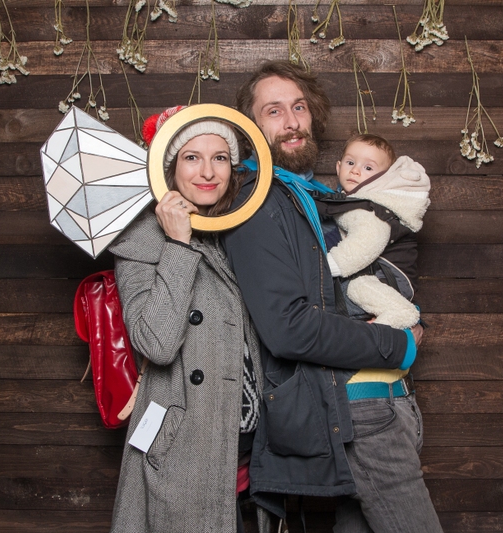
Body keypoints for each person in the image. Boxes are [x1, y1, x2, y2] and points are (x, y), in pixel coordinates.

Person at [224, 60, 444, 532]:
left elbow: (350, 284)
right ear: (249, 128)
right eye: (273, 111)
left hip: (386, 402)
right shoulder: (257, 201)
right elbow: (288, 328)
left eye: (299, 107)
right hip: (360, 407)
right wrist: (398, 344)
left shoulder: (311, 194)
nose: (291, 121)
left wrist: (405, 322)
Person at [108, 106, 264, 533]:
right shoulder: (140, 240)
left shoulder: (241, 230)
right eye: (192, 157)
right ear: (169, 169)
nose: (207, 172)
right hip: (188, 445)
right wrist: (177, 244)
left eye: (220, 158)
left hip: (252, 445)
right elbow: (156, 343)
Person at [322, 133, 431, 330]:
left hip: (389, 279)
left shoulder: (370, 209)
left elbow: (366, 243)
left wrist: (323, 267)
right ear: (338, 167)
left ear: (385, 178)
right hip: (378, 274)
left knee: (357, 287)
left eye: (368, 168)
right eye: (350, 162)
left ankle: (400, 312)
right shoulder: (352, 200)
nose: (355, 171)